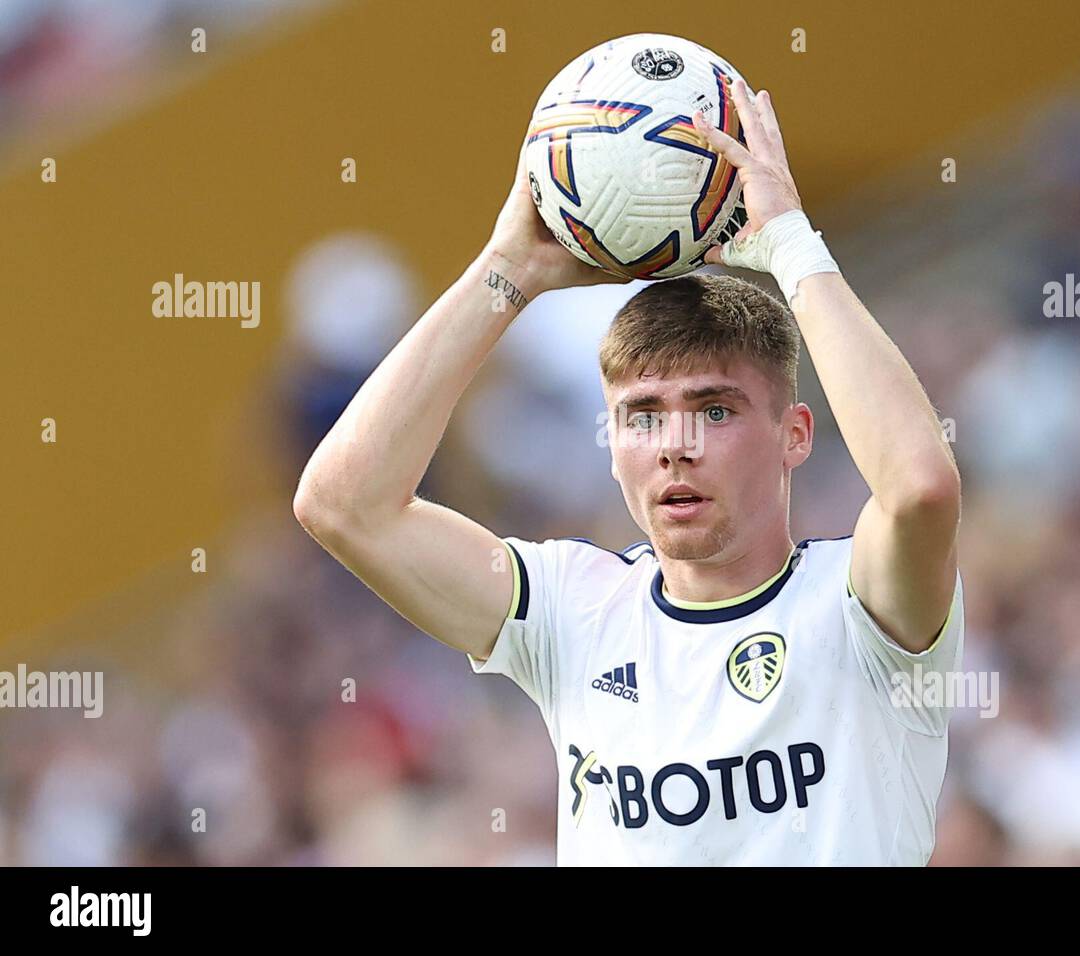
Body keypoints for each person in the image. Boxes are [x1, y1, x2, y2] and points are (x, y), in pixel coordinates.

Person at [293, 77, 964, 865]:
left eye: (714, 410)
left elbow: (919, 487)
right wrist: (508, 271)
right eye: (642, 416)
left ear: (794, 434)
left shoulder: (863, 610)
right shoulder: (574, 613)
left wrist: (792, 248)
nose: (674, 443)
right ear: (610, 447)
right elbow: (342, 505)